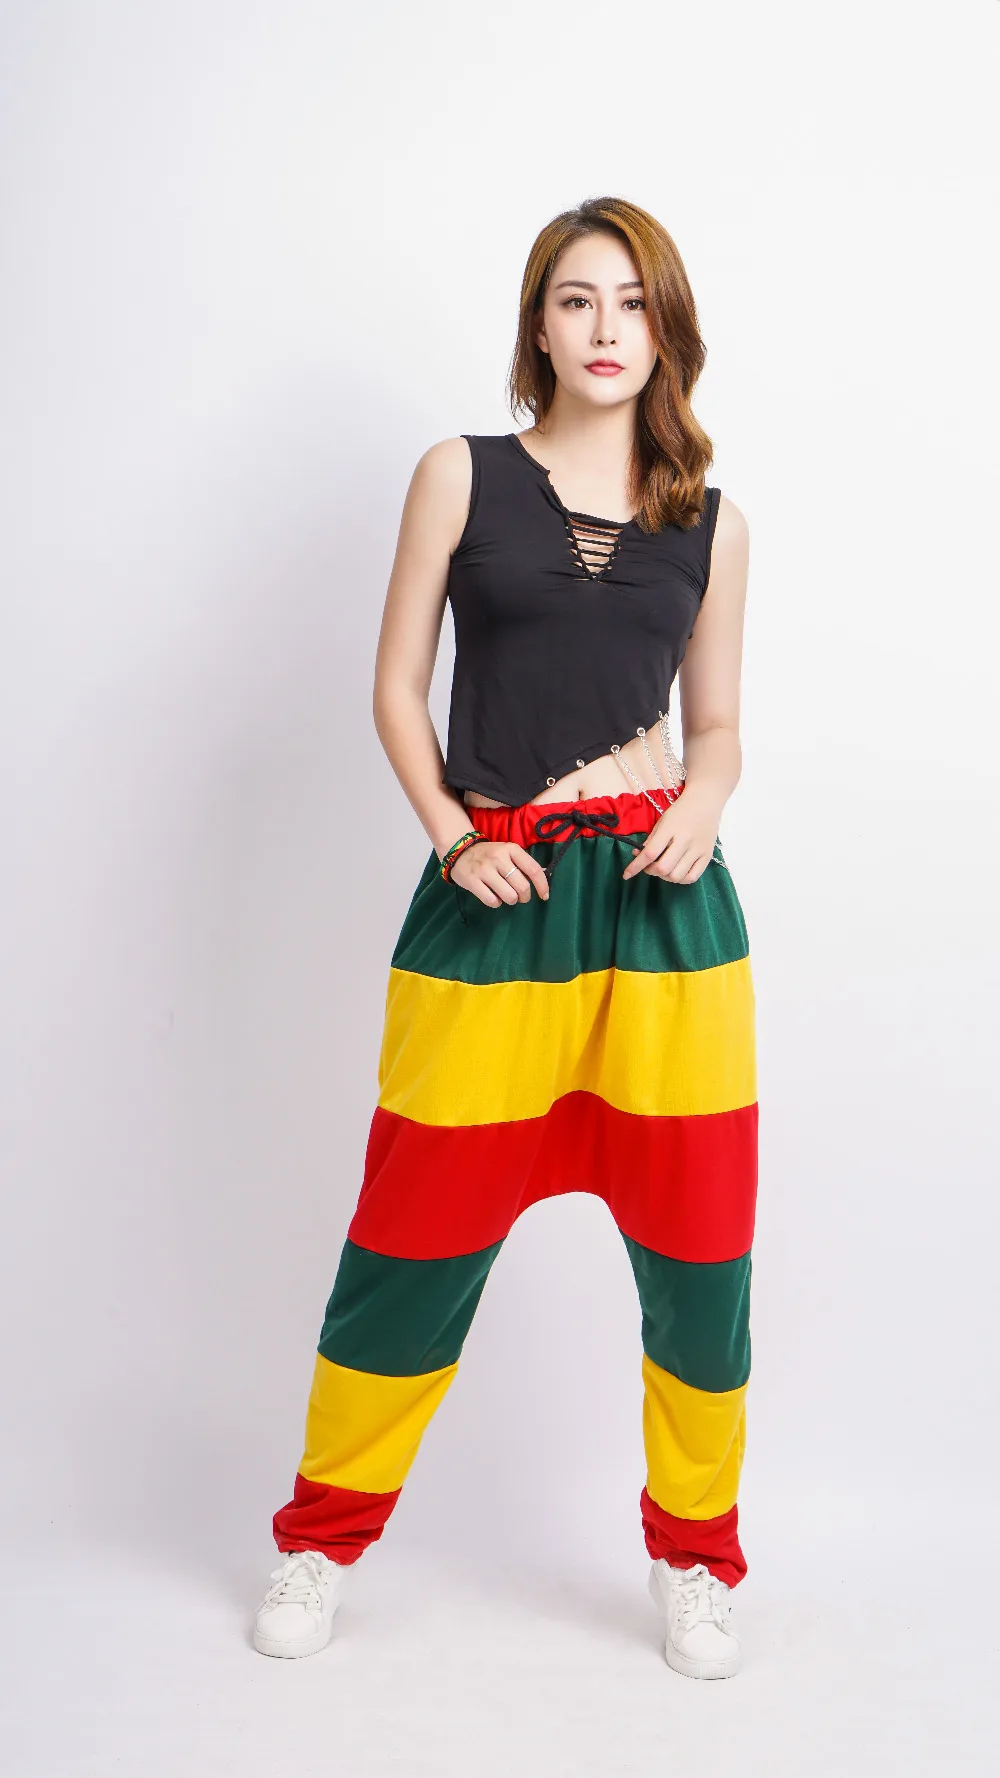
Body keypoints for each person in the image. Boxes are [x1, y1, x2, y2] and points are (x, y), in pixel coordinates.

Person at [252, 196, 756, 1681]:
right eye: (578, 299)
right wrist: (453, 835)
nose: (607, 329)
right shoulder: (460, 474)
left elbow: (719, 724)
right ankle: (318, 1537)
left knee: (701, 1254)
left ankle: (696, 1557)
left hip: (666, 911)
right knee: (413, 1235)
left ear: (667, 330)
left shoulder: (712, 520)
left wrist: (705, 801)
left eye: (634, 303)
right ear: (539, 322)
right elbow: (397, 687)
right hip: (500, 895)